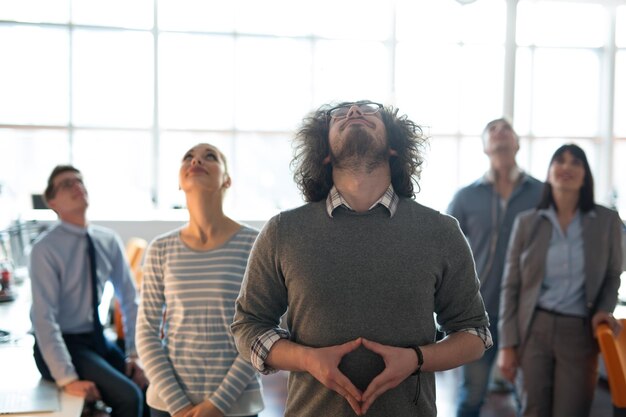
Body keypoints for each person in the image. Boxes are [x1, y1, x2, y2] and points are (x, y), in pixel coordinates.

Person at [231, 100, 492, 417]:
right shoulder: (283, 231)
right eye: (339, 114)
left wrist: (416, 359)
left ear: (394, 148)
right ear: (325, 152)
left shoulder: (441, 232)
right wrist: (307, 360)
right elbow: (248, 326)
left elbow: (475, 334)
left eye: (369, 111)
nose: (354, 112)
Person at [136, 143, 264, 417]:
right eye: (188, 157)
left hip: (236, 404)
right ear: (180, 182)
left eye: (210, 157)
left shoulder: (255, 244)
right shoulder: (160, 248)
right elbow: (146, 332)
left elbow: (262, 331)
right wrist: (179, 406)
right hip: (168, 405)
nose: (196, 161)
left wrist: (218, 404)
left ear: (226, 180)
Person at [497, 144, 623, 417]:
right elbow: (511, 286)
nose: (566, 167)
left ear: (585, 175)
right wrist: (507, 344)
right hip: (534, 329)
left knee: (573, 410)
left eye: (575, 162)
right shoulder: (527, 223)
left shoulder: (607, 221)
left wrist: (604, 308)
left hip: (579, 331)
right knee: (533, 410)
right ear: (549, 172)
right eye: (560, 161)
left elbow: (614, 274)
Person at [30, 165, 148, 417]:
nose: (76, 186)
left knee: (148, 386)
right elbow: (43, 318)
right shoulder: (45, 249)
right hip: (63, 344)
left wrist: (135, 353)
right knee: (129, 397)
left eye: (79, 181)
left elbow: (129, 299)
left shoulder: (107, 240)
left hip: (96, 339)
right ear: (51, 201)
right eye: (66, 184)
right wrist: (67, 378)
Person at [447, 118, 543, 417]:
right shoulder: (465, 197)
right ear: (485, 147)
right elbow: (446, 253)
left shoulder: (542, 193)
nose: (500, 132)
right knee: (471, 397)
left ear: (517, 142)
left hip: (528, 314)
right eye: (492, 130)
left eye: (507, 128)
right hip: (477, 314)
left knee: (531, 401)